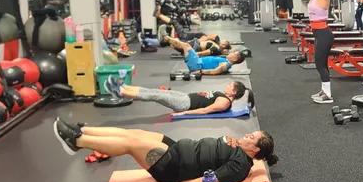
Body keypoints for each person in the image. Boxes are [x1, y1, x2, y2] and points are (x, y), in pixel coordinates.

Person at [53, 119, 277, 182]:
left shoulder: (240, 166)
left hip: (174, 167)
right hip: (176, 147)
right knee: (136, 132)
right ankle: (82, 129)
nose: (247, 135)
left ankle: (78, 141)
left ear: (255, 149)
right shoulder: (239, 148)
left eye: (252, 137)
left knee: (132, 143)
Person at [104, 77, 254, 116]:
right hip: (185, 97)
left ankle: (121, 92)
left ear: (234, 92)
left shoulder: (224, 102)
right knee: (155, 91)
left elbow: (204, 110)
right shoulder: (224, 97)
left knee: (154, 95)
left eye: (230, 85)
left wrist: (184, 113)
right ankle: (124, 87)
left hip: (184, 104)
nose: (227, 85)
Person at [309, 0, 335, 104]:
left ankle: (328, 95)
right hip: (319, 35)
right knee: (322, 63)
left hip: (324, 35)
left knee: (319, 63)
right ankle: (324, 90)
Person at [170, 39, 245, 76]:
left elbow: (215, 71)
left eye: (233, 54)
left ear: (235, 59)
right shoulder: (225, 60)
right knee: (182, 45)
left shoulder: (226, 64)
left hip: (197, 65)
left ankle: (165, 38)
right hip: (198, 61)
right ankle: (167, 41)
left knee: (185, 45)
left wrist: (200, 71)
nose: (231, 53)